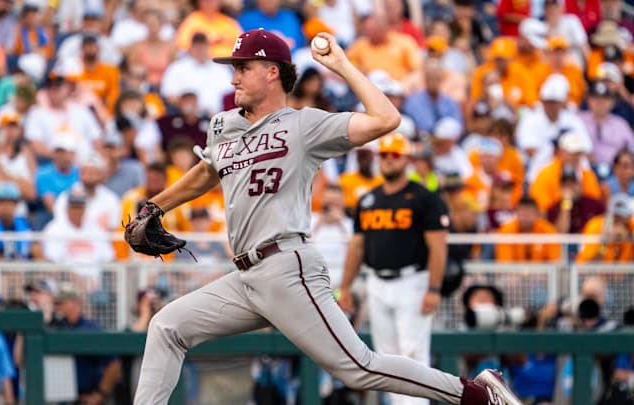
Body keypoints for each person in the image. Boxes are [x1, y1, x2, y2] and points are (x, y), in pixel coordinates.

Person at [130, 29, 521, 405]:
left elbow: (386, 120)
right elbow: (208, 171)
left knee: (358, 367)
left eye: (243, 67)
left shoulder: (305, 125)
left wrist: (344, 66)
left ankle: (475, 393)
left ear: (271, 72)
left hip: (286, 266)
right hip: (246, 277)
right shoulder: (224, 126)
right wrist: (156, 205)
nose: (234, 77)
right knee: (167, 326)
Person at [339, 133, 450, 405]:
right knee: (386, 358)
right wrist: (345, 287)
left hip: (412, 280)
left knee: (412, 354)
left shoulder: (424, 198)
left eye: (394, 155)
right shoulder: (368, 199)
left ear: (407, 160)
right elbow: (356, 247)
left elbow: (438, 246)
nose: (388, 160)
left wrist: (434, 287)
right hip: (376, 281)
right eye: (384, 155)